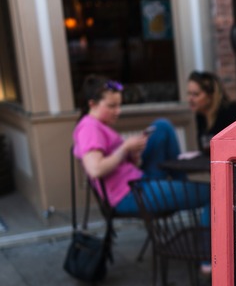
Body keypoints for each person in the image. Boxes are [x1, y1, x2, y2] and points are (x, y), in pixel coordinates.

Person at [72, 74, 210, 221]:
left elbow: (126, 166)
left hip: (138, 181)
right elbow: (95, 169)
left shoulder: (99, 126)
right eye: (112, 106)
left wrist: (134, 154)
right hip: (129, 194)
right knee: (214, 194)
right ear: (92, 104)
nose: (118, 111)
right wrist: (125, 148)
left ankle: (183, 186)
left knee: (162, 127)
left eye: (119, 105)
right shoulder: (89, 127)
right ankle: (206, 240)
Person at [187, 70, 236, 152]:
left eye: (196, 94)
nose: (190, 99)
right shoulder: (200, 115)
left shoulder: (230, 112)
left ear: (210, 96)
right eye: (189, 94)